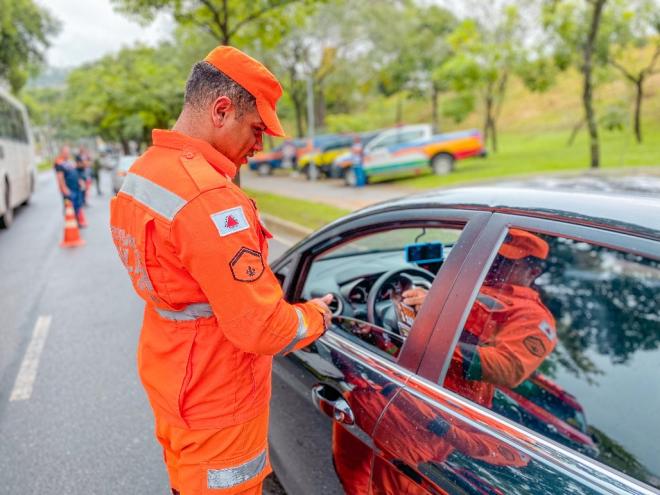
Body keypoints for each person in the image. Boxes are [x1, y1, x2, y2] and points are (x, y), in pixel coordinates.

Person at [109, 46, 333, 495]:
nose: (259, 144)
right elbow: (262, 329)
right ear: (221, 109)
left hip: (172, 378)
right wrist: (317, 315)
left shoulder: (146, 173)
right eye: (256, 128)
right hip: (219, 401)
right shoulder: (209, 199)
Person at [402, 228, 557, 408]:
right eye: (494, 256)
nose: (494, 263)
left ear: (533, 272)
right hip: (414, 371)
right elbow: (416, 257)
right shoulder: (476, 278)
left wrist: (431, 342)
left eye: (505, 261)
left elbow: (508, 368)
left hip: (446, 401)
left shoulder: (533, 315)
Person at [54, 145, 84, 221]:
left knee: (77, 205)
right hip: (69, 189)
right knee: (69, 207)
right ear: (61, 153)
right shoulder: (59, 163)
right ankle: (70, 223)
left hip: (76, 187)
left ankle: (76, 222)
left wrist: (80, 181)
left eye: (68, 152)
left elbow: (75, 172)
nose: (67, 154)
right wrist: (64, 188)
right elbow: (60, 177)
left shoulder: (70, 162)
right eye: (66, 152)